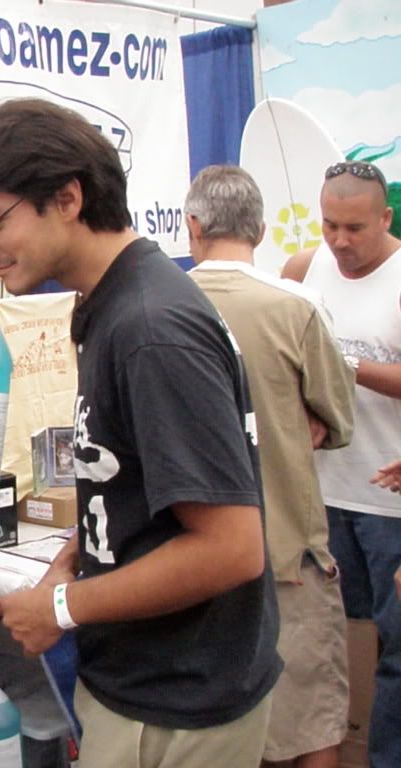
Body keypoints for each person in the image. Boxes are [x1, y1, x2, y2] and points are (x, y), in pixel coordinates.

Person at [0, 98, 281, 768]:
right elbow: (135, 484)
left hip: (178, 701)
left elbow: (232, 548)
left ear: (67, 198)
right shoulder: (114, 304)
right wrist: (75, 555)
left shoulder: (150, 327)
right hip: (145, 682)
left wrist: (62, 608)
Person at [186, 165, 355, 768]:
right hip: (285, 549)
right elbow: (338, 418)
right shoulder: (298, 306)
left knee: (217, 728)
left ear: (193, 226)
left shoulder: (157, 305)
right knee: (310, 719)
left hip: (183, 557)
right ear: (260, 230)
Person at [282, 160, 401, 768]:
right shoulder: (303, 271)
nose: (340, 241)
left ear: (386, 218)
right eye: (330, 225)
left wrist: (342, 364)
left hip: (390, 502)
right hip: (323, 496)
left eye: (355, 228)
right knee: (331, 640)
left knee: (396, 649)